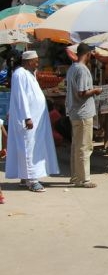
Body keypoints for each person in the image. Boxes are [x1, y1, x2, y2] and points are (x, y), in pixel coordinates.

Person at [5, 50, 59, 192]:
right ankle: (33, 181)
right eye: (35, 61)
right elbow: (21, 97)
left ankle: (25, 177)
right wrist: (27, 117)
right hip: (28, 120)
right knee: (28, 148)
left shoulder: (29, 73)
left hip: (35, 119)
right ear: (29, 61)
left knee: (32, 148)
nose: (38, 63)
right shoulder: (20, 74)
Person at [66, 43, 103, 189]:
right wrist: (95, 91)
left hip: (75, 112)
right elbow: (82, 93)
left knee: (77, 146)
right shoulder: (81, 70)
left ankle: (76, 177)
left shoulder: (72, 68)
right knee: (85, 147)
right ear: (87, 54)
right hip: (82, 113)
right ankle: (84, 179)